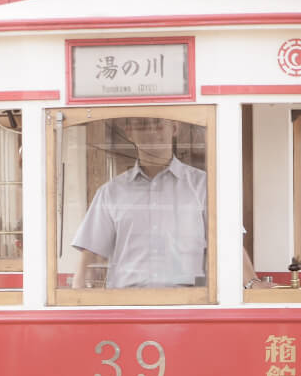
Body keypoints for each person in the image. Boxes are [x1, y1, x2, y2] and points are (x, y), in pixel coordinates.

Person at [71, 118, 208, 289]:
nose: (151, 130)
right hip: (125, 306)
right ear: (129, 132)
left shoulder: (204, 186)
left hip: (191, 305)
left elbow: (230, 245)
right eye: (142, 124)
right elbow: (89, 257)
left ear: (174, 128)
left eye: (157, 123)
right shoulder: (111, 192)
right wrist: (77, 305)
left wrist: (250, 286)